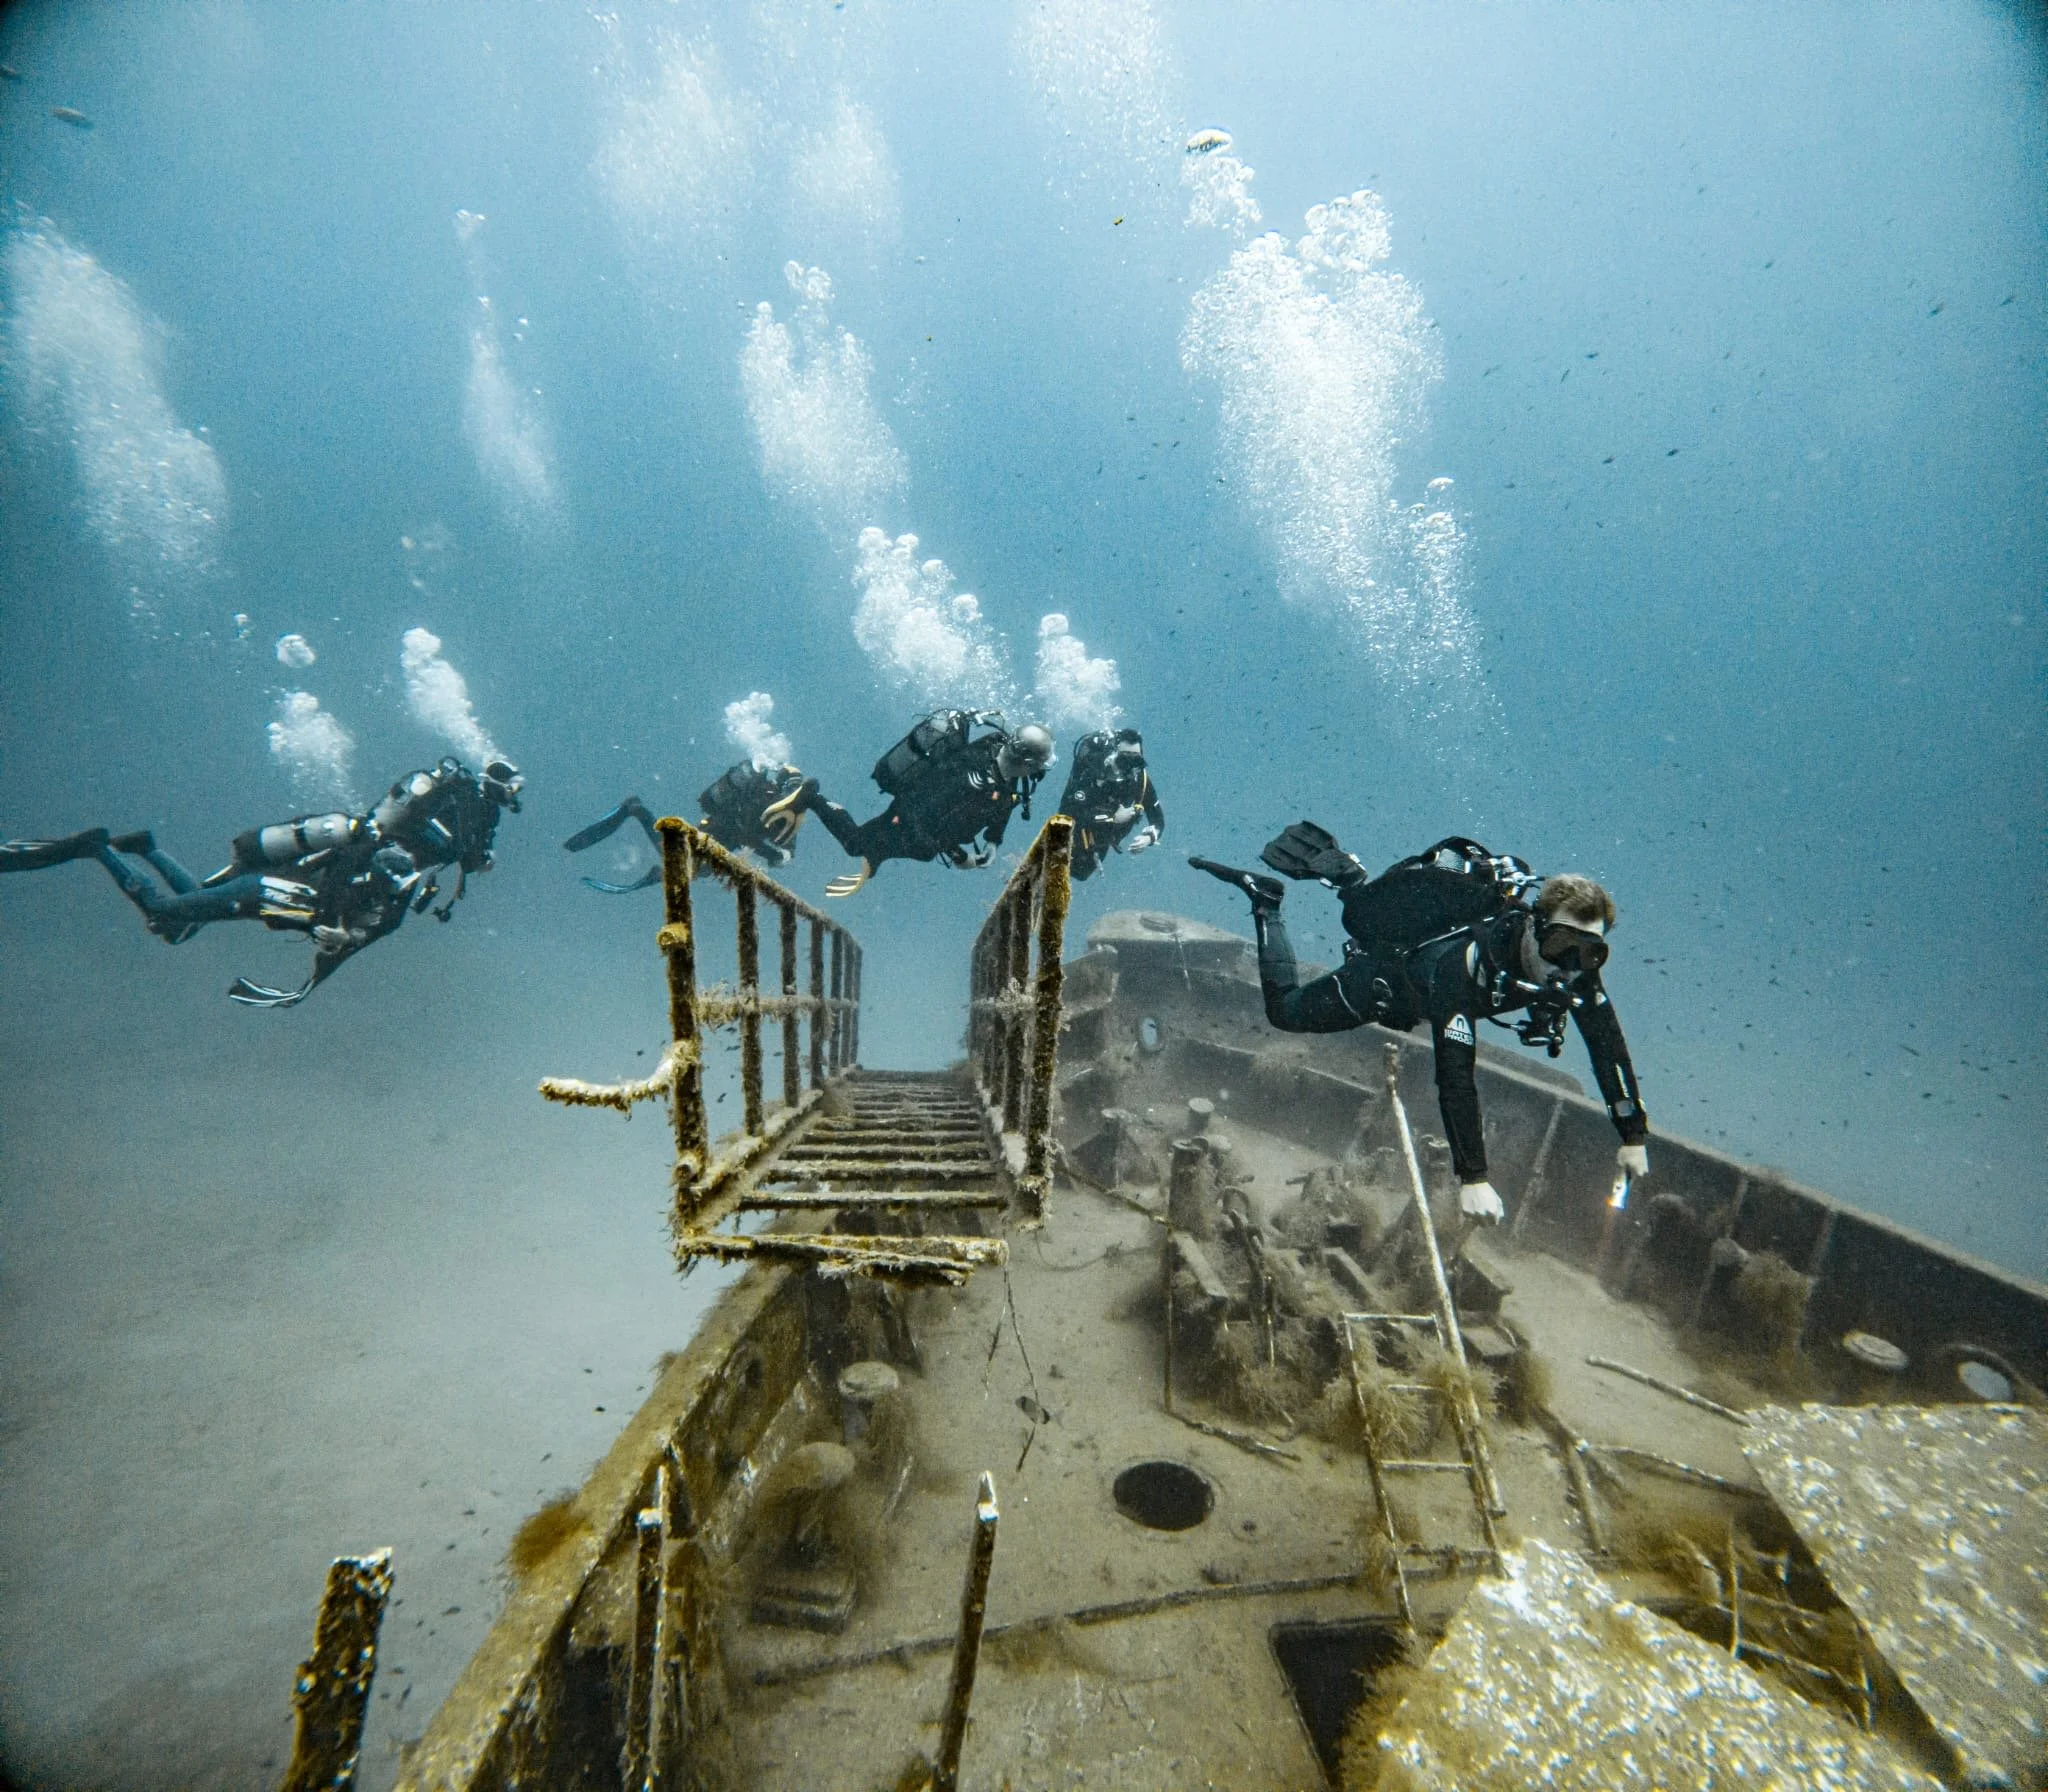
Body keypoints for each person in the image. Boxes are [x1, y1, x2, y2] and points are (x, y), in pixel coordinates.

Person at [1192, 824, 1648, 1225]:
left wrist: (1632, 1136)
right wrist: (1474, 1178)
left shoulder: (1578, 975)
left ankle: (1354, 884)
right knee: (1285, 1013)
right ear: (1533, 926)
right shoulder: (1467, 969)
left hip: (1426, 980)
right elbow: (1454, 1076)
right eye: (1561, 944)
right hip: (1386, 981)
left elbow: (1607, 1045)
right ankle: (1267, 901)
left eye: (1590, 952)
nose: (1569, 966)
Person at [70, 757, 522, 1007]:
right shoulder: (385, 870)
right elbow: (361, 919)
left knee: (183, 919)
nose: (402, 869)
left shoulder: (391, 885)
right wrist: (337, 938)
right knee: (165, 918)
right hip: (270, 895)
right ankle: (98, 849)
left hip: (280, 896)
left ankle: (147, 847)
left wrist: (338, 937)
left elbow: (365, 928)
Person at [764, 710, 1054, 897]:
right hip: (907, 820)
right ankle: (810, 796)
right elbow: (922, 814)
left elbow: (1002, 805)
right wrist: (958, 856)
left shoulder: (1003, 763)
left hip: (921, 838)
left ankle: (874, 858)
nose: (1038, 774)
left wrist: (993, 840)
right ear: (1025, 761)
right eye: (1038, 766)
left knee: (883, 850)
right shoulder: (973, 774)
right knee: (856, 844)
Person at [562, 760, 808, 891]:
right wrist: (774, 854)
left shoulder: (782, 812)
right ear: (779, 783)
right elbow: (751, 838)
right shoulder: (761, 795)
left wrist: (781, 856)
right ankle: (636, 810)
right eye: (789, 787)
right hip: (713, 836)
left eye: (795, 789)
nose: (791, 794)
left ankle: (660, 869)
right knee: (682, 862)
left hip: (719, 843)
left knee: (690, 868)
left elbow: (785, 850)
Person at [1053, 727, 1165, 881]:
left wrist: (1149, 838)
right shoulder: (1093, 771)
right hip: (1078, 833)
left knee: (1082, 873)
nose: (1130, 766)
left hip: (1103, 838)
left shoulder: (1140, 779)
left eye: (1136, 759)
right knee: (1068, 866)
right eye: (1125, 758)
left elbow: (1158, 820)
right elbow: (1067, 812)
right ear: (1113, 754)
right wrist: (1112, 818)